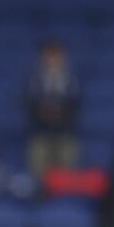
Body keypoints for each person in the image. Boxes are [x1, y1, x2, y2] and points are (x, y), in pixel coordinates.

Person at [25, 40, 81, 180]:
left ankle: (65, 195)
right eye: (48, 56)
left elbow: (76, 104)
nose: (52, 60)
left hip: (64, 132)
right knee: (37, 154)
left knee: (69, 155)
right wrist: (44, 112)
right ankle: (39, 191)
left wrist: (60, 112)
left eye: (55, 55)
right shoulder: (33, 80)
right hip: (41, 132)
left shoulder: (71, 80)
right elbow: (28, 104)